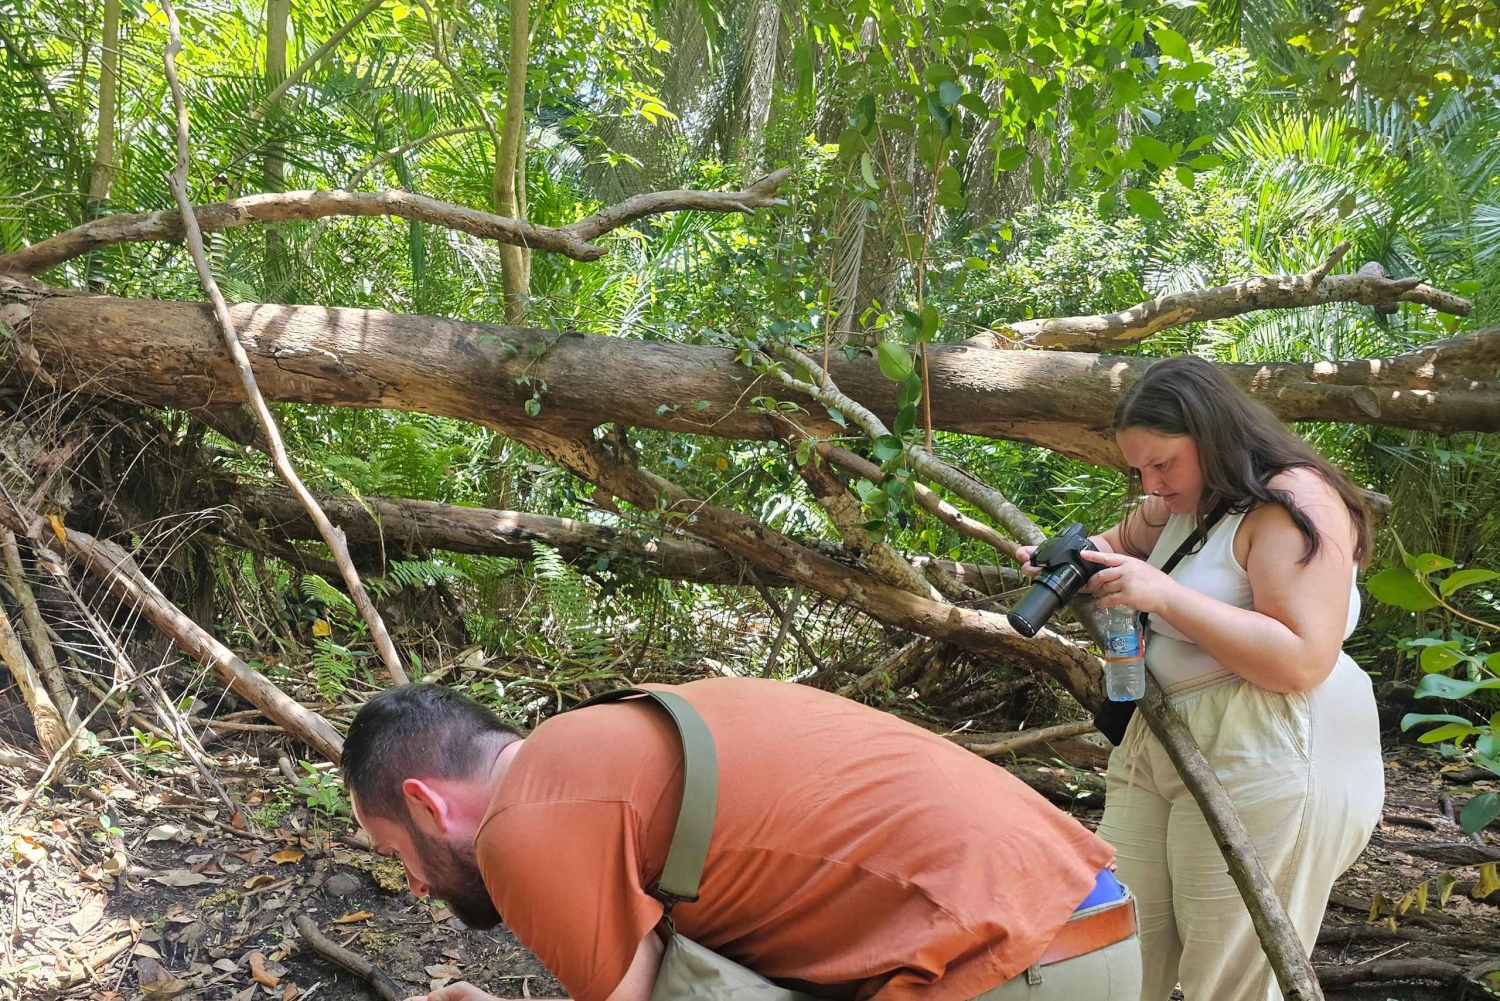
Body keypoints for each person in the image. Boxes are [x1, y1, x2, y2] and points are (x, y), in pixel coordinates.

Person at [341, 678, 1142, 1001]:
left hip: (1007, 963)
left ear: (426, 802)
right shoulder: (602, 743)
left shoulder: (521, 826)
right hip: (1087, 922)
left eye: (393, 853)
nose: (412, 882)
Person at [1014, 356, 1383, 1001]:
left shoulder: (1296, 501)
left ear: (1213, 436)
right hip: (1160, 734)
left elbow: (1302, 659)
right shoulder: (1183, 503)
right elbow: (1110, 546)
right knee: (1117, 950)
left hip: (1264, 742)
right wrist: (1060, 562)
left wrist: (1165, 597)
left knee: (1229, 976)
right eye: (1139, 470)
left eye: (1163, 464)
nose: (1152, 484)